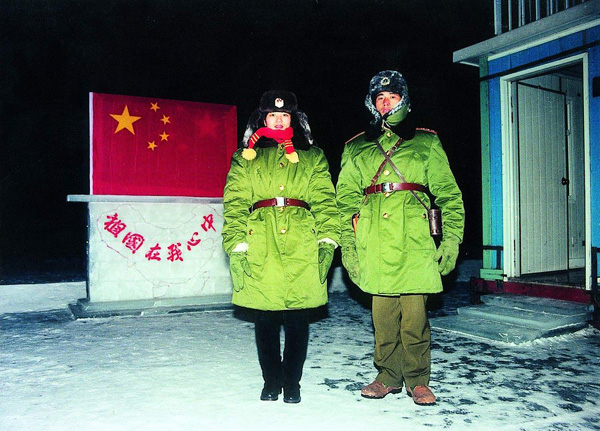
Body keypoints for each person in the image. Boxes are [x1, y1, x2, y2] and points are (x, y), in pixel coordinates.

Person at [336, 70, 465, 406]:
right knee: (383, 318)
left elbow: (449, 196)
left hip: (415, 241)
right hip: (374, 240)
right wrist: (349, 249)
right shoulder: (356, 146)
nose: (386, 103)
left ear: (404, 100)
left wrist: (450, 241)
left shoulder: (425, 142)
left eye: (392, 97)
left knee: (414, 318)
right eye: (379, 98)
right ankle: (387, 376)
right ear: (372, 104)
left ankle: (418, 379)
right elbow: (344, 202)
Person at [222, 90, 340, 404]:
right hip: (261, 239)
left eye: (284, 115)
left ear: (294, 119)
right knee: (266, 318)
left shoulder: (313, 156)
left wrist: (327, 240)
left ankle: (293, 382)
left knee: (298, 318)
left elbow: (326, 203)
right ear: (261, 118)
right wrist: (236, 244)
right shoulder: (244, 157)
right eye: (272, 115)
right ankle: (271, 380)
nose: (278, 120)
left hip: (302, 239)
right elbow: (234, 205)